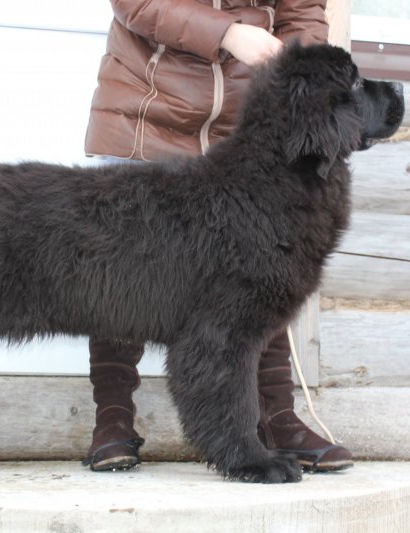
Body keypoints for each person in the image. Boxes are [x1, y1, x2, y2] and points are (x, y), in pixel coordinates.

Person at [81, 0, 353, 474]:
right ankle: (113, 419)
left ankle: (277, 419)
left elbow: (304, 10)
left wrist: (297, 72)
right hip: (147, 110)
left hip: (245, 118)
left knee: (263, 275)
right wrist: (227, 33)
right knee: (118, 279)